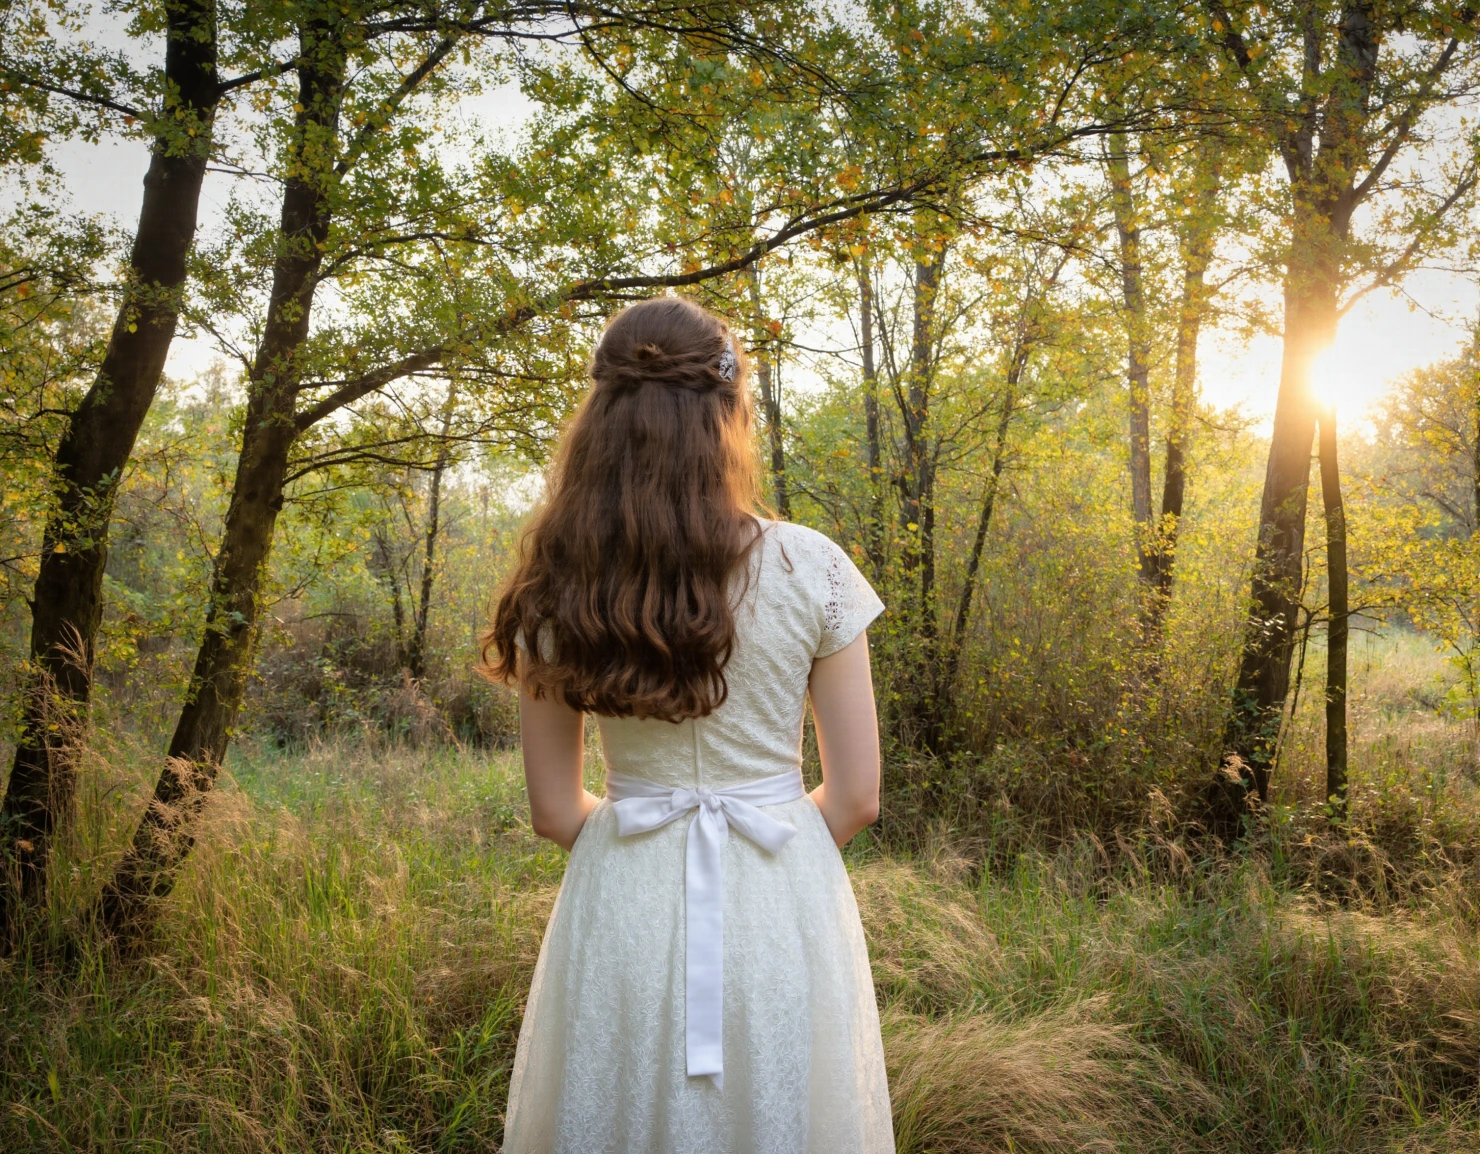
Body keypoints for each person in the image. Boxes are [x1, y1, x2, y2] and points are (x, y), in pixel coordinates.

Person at [483, 295, 893, 1153]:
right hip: (782, 900)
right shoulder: (811, 565)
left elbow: (556, 813)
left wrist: (652, 837)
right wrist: (767, 839)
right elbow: (855, 799)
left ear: (601, 419)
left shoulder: (557, 584)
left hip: (621, 900)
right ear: (730, 410)